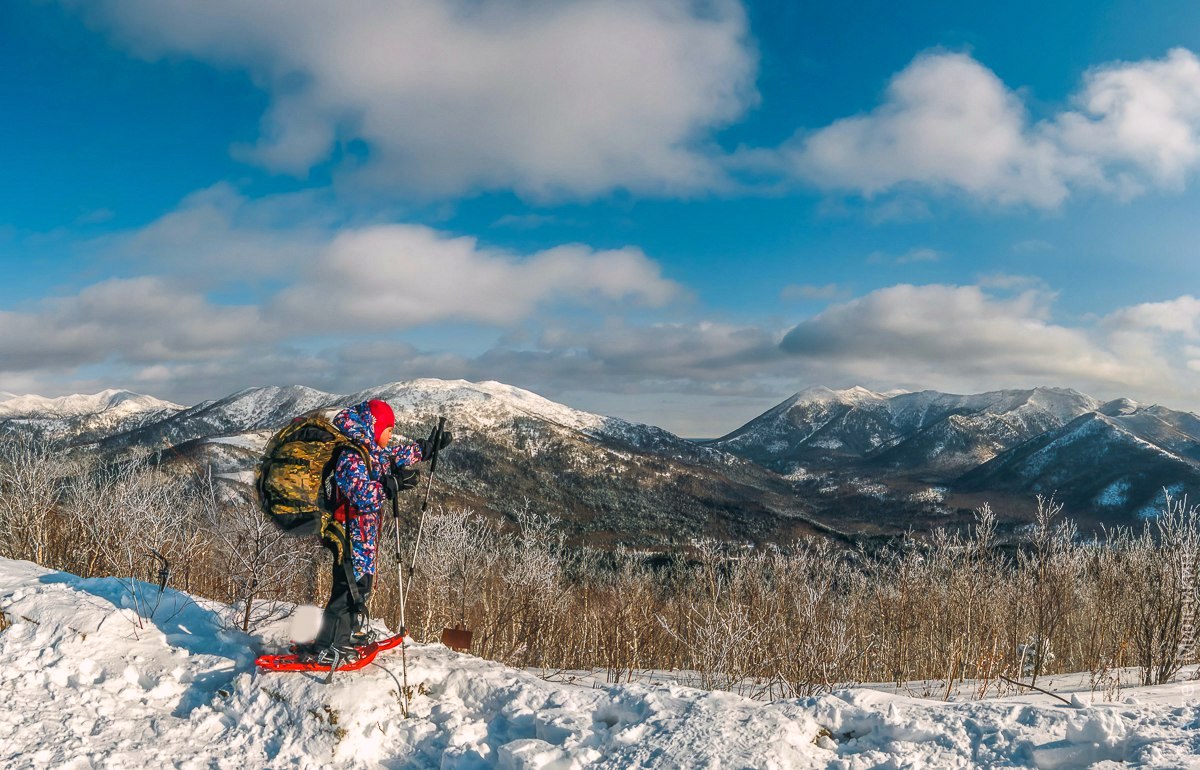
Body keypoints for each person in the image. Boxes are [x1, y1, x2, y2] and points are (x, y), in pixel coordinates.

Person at [305, 399, 452, 660]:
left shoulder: (370, 452)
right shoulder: (351, 456)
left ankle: (344, 634)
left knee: (361, 586)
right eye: (388, 429)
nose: (391, 434)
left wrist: (425, 450)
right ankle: (330, 645)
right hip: (348, 535)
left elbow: (393, 457)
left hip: (363, 537)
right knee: (347, 588)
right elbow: (361, 494)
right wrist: (388, 486)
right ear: (374, 427)